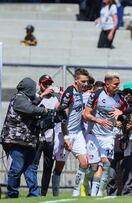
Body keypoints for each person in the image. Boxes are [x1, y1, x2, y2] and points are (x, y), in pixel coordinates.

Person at [0, 77, 51, 198]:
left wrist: (42, 96)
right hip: (14, 141)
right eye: (33, 88)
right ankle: (12, 194)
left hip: (27, 141)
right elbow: (31, 109)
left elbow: (32, 104)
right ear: (30, 88)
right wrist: (46, 111)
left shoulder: (25, 99)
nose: (35, 90)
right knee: (16, 169)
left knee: (31, 168)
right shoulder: (19, 98)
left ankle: (34, 194)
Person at [83, 73, 126, 196]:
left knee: (104, 163)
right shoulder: (96, 95)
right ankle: (85, 181)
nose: (118, 87)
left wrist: (120, 120)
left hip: (108, 136)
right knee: (93, 167)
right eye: (115, 84)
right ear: (107, 84)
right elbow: (86, 114)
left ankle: (96, 194)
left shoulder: (119, 98)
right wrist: (99, 120)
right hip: (94, 134)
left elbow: (124, 112)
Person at [52, 68, 90, 197]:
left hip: (77, 133)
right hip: (65, 133)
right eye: (83, 81)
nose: (85, 84)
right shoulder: (70, 92)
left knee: (84, 162)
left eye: (87, 81)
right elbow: (62, 115)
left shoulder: (81, 92)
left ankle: (76, 192)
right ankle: (55, 194)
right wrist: (66, 137)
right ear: (76, 80)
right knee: (59, 167)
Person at [33, 75, 62, 196]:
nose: (48, 86)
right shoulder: (35, 96)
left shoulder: (55, 98)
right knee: (33, 165)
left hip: (50, 137)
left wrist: (62, 97)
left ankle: (43, 193)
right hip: (37, 136)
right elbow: (31, 109)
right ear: (40, 84)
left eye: (49, 84)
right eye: (45, 84)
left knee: (48, 167)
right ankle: (33, 192)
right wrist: (43, 94)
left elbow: (60, 113)